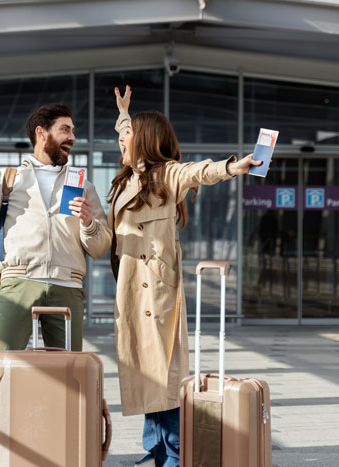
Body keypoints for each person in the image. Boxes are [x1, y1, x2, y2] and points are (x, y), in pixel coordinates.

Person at [0, 103, 112, 467]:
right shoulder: (9, 179)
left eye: (73, 131)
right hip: (18, 284)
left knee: (70, 381)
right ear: (41, 133)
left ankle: (65, 451)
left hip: (67, 287)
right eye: (65, 129)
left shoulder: (82, 183)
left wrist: (88, 223)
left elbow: (100, 246)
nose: (72, 137)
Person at [108, 86, 265, 467]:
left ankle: (176, 454)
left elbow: (199, 172)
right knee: (146, 372)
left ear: (144, 142)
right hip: (130, 289)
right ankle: (156, 449)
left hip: (155, 292)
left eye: (127, 136)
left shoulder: (166, 176)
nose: (121, 141)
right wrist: (124, 115)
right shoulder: (128, 179)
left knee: (162, 375)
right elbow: (126, 135)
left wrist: (232, 167)